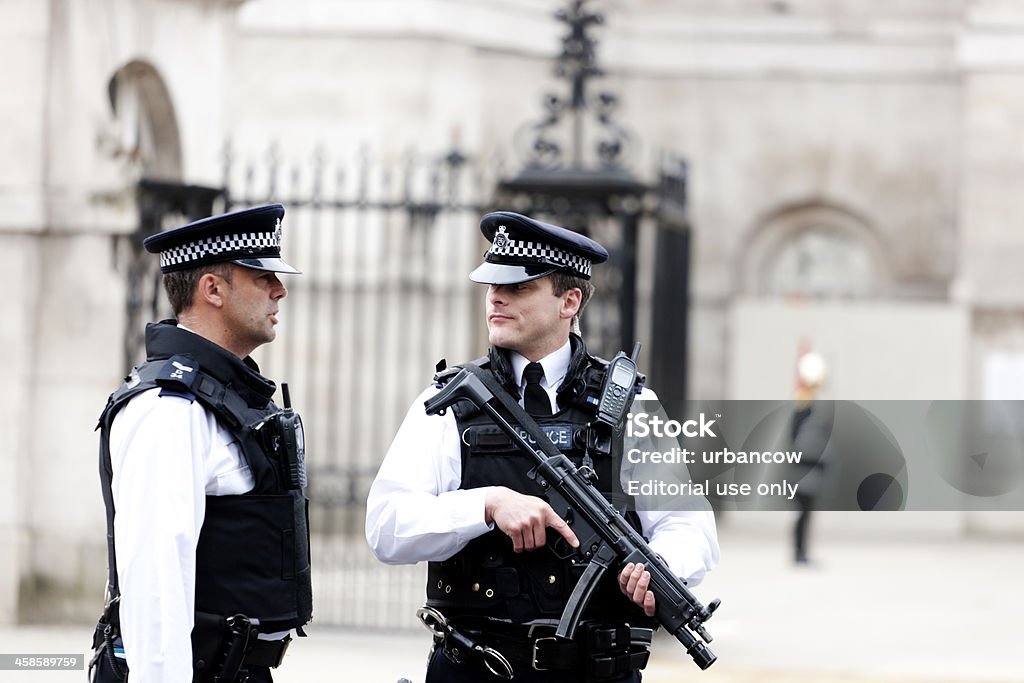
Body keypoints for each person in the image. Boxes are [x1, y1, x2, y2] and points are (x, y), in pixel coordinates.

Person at [366, 211, 719, 682]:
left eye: (519, 288)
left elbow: (688, 526)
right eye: (493, 286)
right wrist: (486, 505)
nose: (496, 298)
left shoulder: (631, 406)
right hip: (479, 666)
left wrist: (662, 566)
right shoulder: (450, 401)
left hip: (597, 669)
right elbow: (386, 527)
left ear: (569, 301)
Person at [90, 204, 312, 683]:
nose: (280, 289)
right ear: (212, 289)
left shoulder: (223, 397)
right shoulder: (170, 410)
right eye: (260, 276)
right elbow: (156, 585)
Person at [790, 349, 831, 565]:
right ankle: (799, 552)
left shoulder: (809, 408)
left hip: (809, 471)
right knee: (802, 514)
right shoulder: (804, 410)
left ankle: (802, 551)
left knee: (806, 514)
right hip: (804, 471)